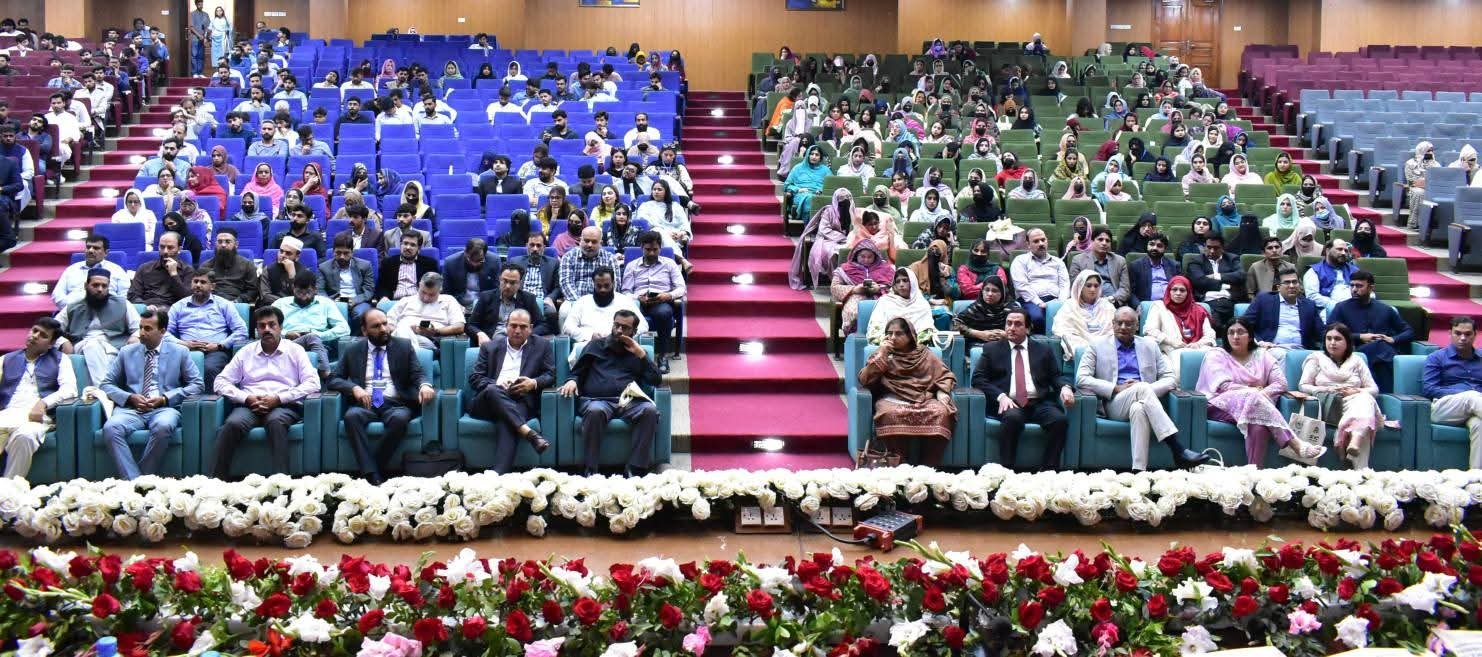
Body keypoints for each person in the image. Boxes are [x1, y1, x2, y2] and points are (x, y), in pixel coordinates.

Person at [1077, 307, 1207, 470]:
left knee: (1139, 408)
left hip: (1144, 400)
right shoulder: (1097, 345)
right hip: (1113, 404)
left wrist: (1146, 389)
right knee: (1142, 389)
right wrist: (1116, 388)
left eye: (1129, 324)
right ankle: (1177, 449)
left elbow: (1170, 378)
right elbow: (1081, 378)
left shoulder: (1150, 346)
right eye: (1119, 323)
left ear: (1137, 326)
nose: (1123, 327)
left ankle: (1139, 471)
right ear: (1113, 324)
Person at [327, 309, 435, 485]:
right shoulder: (353, 350)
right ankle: (374, 474)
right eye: (376, 326)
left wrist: (425, 385)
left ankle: (371, 472)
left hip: (396, 404)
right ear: (364, 330)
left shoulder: (403, 346)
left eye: (385, 323)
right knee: (351, 416)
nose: (384, 329)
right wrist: (354, 388)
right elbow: (333, 379)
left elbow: (417, 373)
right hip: (366, 402)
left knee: (400, 419)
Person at [210, 306, 320, 478]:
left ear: (281, 327)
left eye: (272, 325)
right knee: (232, 424)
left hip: (284, 405)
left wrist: (278, 398)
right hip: (250, 405)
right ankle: (215, 482)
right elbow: (220, 381)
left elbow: (313, 383)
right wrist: (246, 398)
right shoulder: (246, 352)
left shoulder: (295, 350)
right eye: (262, 326)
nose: (267, 329)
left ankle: (281, 483)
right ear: (257, 329)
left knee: (275, 422)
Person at [1199, 318, 1323, 466]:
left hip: (1255, 407)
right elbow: (1224, 386)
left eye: (1241, 332)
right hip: (1218, 406)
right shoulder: (1216, 355)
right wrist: (1252, 392)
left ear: (1250, 336)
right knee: (1251, 398)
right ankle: (1295, 443)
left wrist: (1259, 395)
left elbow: (1281, 383)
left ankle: (1254, 471)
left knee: (1258, 425)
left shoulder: (1262, 355)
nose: (1235, 336)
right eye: (1231, 332)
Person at [99, 308, 202, 480]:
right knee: (111, 428)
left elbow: (197, 384)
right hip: (132, 409)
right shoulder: (126, 352)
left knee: (163, 426)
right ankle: (135, 481)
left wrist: (165, 398)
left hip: (164, 408)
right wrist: (129, 397)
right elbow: (106, 384)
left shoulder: (180, 352)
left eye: (148, 329)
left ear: (162, 331)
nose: (141, 333)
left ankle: (141, 480)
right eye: (140, 327)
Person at [557, 309, 661, 476]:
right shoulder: (595, 346)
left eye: (625, 328)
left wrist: (642, 355)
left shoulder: (637, 352)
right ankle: (591, 470)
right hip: (597, 400)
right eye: (616, 325)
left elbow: (655, 380)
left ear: (634, 331)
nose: (619, 330)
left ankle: (635, 468)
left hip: (627, 401)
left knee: (649, 411)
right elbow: (577, 372)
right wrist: (571, 380)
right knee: (595, 411)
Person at [856, 317, 957, 466]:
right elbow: (865, 379)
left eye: (898, 333)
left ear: (910, 336)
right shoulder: (883, 353)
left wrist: (942, 391)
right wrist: (883, 352)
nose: (892, 337)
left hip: (922, 398)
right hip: (892, 398)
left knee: (942, 412)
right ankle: (899, 463)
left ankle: (927, 467)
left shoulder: (924, 354)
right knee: (888, 413)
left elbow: (945, 375)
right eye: (889, 333)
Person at [467, 308, 555, 474]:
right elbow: (475, 378)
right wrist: (499, 384)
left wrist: (533, 383)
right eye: (513, 326)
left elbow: (551, 374)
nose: (517, 330)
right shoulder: (489, 347)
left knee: (507, 421)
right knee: (492, 389)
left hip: (520, 400)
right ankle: (530, 434)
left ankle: (499, 475)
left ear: (531, 328)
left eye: (523, 327)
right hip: (486, 402)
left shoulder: (542, 346)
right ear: (506, 326)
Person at [0, 318, 77, 479]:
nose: (35, 336)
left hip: (38, 418)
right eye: (34, 330)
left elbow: (70, 389)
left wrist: (43, 403)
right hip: (8, 412)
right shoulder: (6, 359)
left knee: (25, 435)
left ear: (51, 344)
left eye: (43, 335)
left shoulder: (61, 359)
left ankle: (9, 488)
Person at [1300, 323, 1383, 468]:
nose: (1332, 342)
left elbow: (1374, 389)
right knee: (1366, 406)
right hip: (1329, 404)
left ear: (1347, 342)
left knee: (1365, 399)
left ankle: (1355, 443)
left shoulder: (1357, 360)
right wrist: (1326, 389)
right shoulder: (1316, 359)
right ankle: (1360, 468)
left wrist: (1356, 391)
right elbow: (1303, 385)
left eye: (1337, 339)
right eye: (1329, 338)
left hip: (1354, 402)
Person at [1329, 270, 1413, 394]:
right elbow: (1328, 333)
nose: (1354, 289)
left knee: (1381, 356)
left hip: (1382, 354)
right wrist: (1359, 337)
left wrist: (1393, 339)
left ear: (1371, 288)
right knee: (1382, 348)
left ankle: (1383, 395)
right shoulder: (1341, 308)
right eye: (1352, 285)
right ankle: (1396, 395)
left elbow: (1409, 331)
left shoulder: (1385, 309)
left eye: (1359, 286)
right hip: (1354, 351)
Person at [167, 269, 247, 388]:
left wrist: (220, 345)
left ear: (212, 286)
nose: (198, 285)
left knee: (209, 368)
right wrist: (183, 344)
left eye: (203, 282)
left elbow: (242, 331)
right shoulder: (178, 306)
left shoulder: (224, 305)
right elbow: (163, 333)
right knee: (173, 369)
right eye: (195, 281)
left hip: (215, 351)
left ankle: (212, 399)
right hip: (185, 351)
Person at [621, 231, 686, 369]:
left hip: (661, 301)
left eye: (655, 249)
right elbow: (626, 291)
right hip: (638, 302)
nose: (651, 253)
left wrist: (668, 295)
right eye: (648, 249)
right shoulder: (632, 266)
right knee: (628, 311)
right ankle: (629, 355)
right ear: (641, 248)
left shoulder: (669, 264)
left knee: (663, 313)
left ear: (660, 248)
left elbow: (681, 288)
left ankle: (662, 355)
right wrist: (638, 298)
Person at [1423, 317, 1482, 468]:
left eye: (1468, 334)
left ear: (1475, 335)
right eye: (1458, 333)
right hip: (1444, 409)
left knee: (1479, 425)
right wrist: (1463, 392)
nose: (1463, 338)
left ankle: (1477, 476)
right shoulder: (1436, 357)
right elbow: (1429, 389)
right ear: (1450, 333)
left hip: (1477, 408)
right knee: (1471, 396)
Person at [273, 271, 348, 377]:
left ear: (315, 290)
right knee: (312, 339)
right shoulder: (280, 304)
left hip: (320, 343)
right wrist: (285, 334)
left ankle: (323, 376)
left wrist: (319, 335)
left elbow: (344, 328)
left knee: (312, 338)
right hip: (290, 342)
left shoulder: (325, 303)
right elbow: (267, 327)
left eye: (308, 292)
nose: (303, 297)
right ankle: (327, 377)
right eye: (299, 292)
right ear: (293, 288)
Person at [1142, 275, 1215, 380]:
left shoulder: (1199, 310)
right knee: (1178, 371)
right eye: (1174, 289)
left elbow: (1210, 334)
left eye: (1182, 290)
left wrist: (1198, 344)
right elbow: (1149, 330)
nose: (1178, 293)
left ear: (1188, 292)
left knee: (1214, 359)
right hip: (1171, 349)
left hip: (1197, 348)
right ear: (1169, 291)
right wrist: (1172, 341)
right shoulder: (1159, 307)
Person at [1243, 265, 1324, 355]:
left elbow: (1321, 333)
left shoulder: (1309, 305)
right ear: (1278, 287)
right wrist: (1259, 342)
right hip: (1271, 349)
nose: (1292, 286)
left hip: (1301, 352)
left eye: (1295, 282)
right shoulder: (1264, 300)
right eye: (1287, 282)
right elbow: (1244, 325)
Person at [790, 187, 852, 290]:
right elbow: (824, 230)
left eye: (847, 197)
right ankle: (836, 282)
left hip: (850, 239)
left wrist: (851, 237)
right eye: (841, 198)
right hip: (828, 239)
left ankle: (851, 280)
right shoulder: (829, 211)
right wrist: (842, 237)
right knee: (831, 253)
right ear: (836, 199)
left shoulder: (855, 212)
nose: (845, 200)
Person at [1010, 228, 1069, 332]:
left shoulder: (1058, 262)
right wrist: (1039, 302)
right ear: (1028, 244)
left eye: (1043, 240)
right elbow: (1022, 286)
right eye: (1036, 241)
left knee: (1070, 318)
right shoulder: (1020, 261)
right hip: (1031, 301)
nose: (1041, 243)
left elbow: (1065, 285)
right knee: (1037, 318)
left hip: (1056, 299)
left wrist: (1061, 302)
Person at [387, 272, 464, 351]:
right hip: (400, 335)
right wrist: (405, 330)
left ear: (440, 289)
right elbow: (388, 323)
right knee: (402, 329)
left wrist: (435, 331)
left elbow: (459, 327)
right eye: (423, 292)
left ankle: (408, 352)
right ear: (419, 285)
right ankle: (411, 354)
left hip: (427, 340)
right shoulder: (406, 300)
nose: (426, 298)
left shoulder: (449, 300)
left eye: (431, 295)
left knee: (402, 335)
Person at [558, 227, 618, 324]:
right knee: (565, 312)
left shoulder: (610, 258)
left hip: (604, 298)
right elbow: (566, 283)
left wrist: (599, 302)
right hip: (575, 299)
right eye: (586, 241)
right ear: (580, 240)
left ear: (601, 243)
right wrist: (580, 303)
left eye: (594, 242)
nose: (589, 245)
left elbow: (615, 284)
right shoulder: (569, 257)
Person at [832, 242, 892, 339]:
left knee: (887, 312)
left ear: (875, 256)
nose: (866, 260)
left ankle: (881, 339)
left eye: (870, 257)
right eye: (862, 256)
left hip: (880, 297)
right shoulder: (844, 269)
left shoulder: (886, 268)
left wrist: (879, 288)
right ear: (856, 255)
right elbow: (834, 287)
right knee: (855, 312)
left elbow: (894, 287)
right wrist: (854, 289)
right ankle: (856, 339)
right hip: (855, 296)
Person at [1054, 270, 1117, 361]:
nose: (1093, 289)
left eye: (1096, 286)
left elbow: (1114, 329)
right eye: (1088, 286)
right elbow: (1062, 329)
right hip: (1080, 344)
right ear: (1080, 287)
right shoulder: (1069, 306)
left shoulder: (1107, 306)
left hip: (1105, 344)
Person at [52, 234, 128, 309]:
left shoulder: (117, 271)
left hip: (107, 312)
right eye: (88, 247)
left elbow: (124, 297)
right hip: (73, 310)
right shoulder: (71, 270)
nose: (90, 250)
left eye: (96, 248)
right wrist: (72, 309)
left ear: (106, 253)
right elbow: (57, 295)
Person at [1068, 227, 1132, 308]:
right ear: (1092, 241)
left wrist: (1112, 299)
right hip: (1088, 304)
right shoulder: (1078, 260)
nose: (1104, 243)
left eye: (1107, 241)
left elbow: (1125, 289)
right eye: (1100, 239)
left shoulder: (1120, 261)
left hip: (1114, 303)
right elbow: (1075, 287)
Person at [128, 232, 193, 310]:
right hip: (147, 309)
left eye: (170, 247)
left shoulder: (187, 271)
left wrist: (174, 274)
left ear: (179, 249)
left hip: (173, 310)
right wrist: (144, 307)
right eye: (162, 247)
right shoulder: (145, 268)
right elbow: (133, 295)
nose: (165, 251)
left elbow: (187, 299)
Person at [375, 233, 438, 305]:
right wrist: (384, 297)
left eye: (412, 245)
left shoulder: (429, 264)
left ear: (419, 248)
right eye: (405, 243)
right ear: (400, 245)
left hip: (419, 302)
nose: (408, 247)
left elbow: (433, 286)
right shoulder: (388, 263)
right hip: (394, 303)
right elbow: (382, 286)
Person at [1303, 238, 1355, 321]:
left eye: (1346, 250)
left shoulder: (1354, 270)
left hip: (1355, 307)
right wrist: (1336, 305)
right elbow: (1312, 296)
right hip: (1327, 310)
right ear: (1327, 251)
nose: (1343, 253)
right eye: (1339, 249)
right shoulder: (1314, 271)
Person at [1129, 231, 1181, 306]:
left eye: (1159, 246)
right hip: (1148, 305)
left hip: (1171, 305)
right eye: (1151, 244)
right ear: (1147, 246)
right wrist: (1138, 306)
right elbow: (1131, 292)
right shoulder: (1136, 266)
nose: (1154, 248)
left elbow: (1181, 287)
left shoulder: (1174, 266)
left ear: (1165, 248)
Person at [1404, 140, 1440, 229]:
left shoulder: (1436, 164)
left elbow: (1438, 180)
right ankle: (1414, 223)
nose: (1430, 153)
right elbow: (1413, 181)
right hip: (1415, 188)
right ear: (1421, 150)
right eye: (1428, 150)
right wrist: (1426, 182)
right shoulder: (1410, 163)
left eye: (1432, 150)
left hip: (1432, 189)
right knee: (1419, 192)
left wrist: (1425, 182)